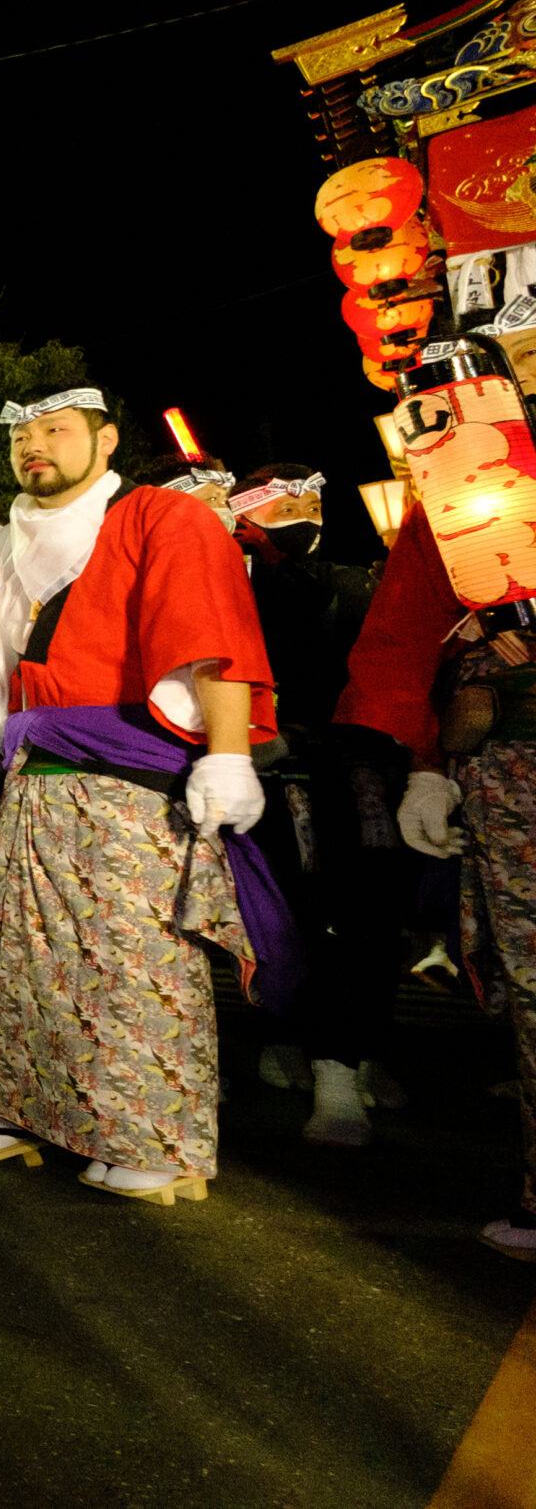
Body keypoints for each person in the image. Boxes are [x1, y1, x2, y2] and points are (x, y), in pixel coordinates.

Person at [0, 382, 283, 1210]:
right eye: (22, 434)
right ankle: (35, 1110)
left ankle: (157, 1139)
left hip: (128, 778)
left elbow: (214, 641)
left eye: (57, 429)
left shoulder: (162, 519)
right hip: (34, 781)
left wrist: (230, 754)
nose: (36, 445)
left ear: (104, 442)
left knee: (134, 960)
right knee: (24, 948)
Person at [334, 337, 536, 1260]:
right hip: (504, 760)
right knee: (531, 982)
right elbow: (412, 616)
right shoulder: (456, 473)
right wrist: (423, 759)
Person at [226, 464, 400, 1146]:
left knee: (370, 910)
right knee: (281, 914)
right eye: (284, 499)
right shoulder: (231, 577)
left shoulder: (355, 581)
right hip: (267, 769)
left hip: (358, 765)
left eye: (312, 498)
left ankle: (352, 1055)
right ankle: (290, 1041)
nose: (305, 509)